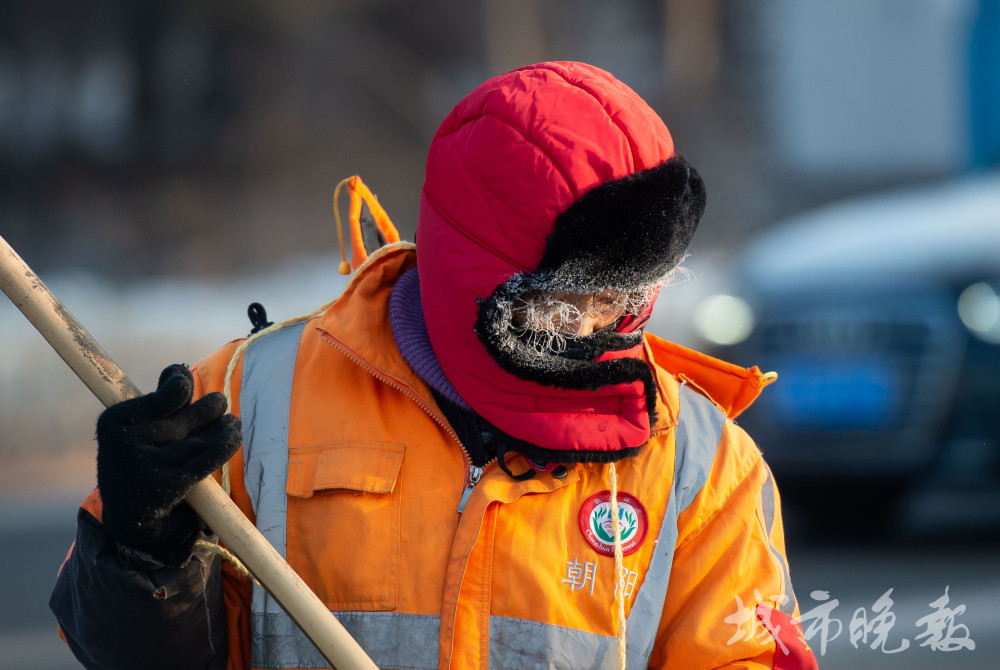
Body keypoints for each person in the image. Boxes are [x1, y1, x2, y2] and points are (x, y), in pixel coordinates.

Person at [50, 61, 818, 670]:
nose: (604, 329)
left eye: (631, 297)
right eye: (567, 301)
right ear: (473, 275)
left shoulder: (699, 466)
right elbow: (120, 652)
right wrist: (139, 551)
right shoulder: (253, 399)